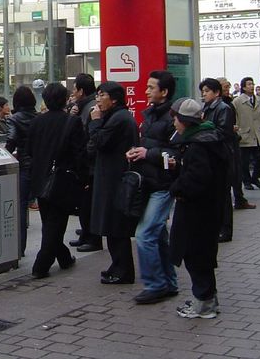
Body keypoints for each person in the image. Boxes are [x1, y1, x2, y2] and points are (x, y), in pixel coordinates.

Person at [168, 98, 229, 319]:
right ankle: (207, 298)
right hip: (210, 209)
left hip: (196, 211)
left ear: (184, 121)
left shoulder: (197, 146)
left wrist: (176, 186)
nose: (173, 122)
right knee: (203, 255)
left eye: (175, 118)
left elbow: (197, 179)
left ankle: (203, 303)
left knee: (195, 256)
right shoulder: (211, 138)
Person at [126, 71, 179, 304]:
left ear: (164, 92)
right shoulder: (150, 116)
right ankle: (168, 282)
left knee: (145, 234)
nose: (146, 91)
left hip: (163, 186)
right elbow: (148, 147)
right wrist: (136, 153)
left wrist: (149, 153)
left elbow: (178, 154)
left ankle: (155, 285)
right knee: (157, 235)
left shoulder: (172, 118)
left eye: (150, 87)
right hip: (149, 182)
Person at [28, 83, 86, 278]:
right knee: (56, 225)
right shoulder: (72, 122)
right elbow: (79, 154)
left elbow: (29, 151)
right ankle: (40, 266)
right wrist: (82, 178)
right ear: (64, 99)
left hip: (41, 180)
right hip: (62, 180)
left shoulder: (36, 122)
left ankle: (64, 257)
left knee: (50, 224)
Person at [88, 81, 139, 285]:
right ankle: (117, 266)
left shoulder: (118, 118)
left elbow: (99, 142)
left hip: (114, 179)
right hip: (112, 177)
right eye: (97, 95)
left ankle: (123, 270)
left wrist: (94, 122)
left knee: (116, 228)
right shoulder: (118, 116)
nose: (98, 99)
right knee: (112, 227)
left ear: (114, 99)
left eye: (102, 95)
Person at [200, 78, 255, 246]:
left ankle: (225, 230)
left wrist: (201, 129)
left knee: (223, 196)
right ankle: (216, 227)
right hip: (212, 157)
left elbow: (221, 133)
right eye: (202, 91)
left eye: (207, 91)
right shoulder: (207, 108)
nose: (204, 94)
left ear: (216, 92)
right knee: (215, 195)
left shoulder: (222, 108)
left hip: (222, 157)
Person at [68, 73, 103, 252]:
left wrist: (85, 157)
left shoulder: (90, 108)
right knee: (84, 203)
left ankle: (93, 238)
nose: (72, 92)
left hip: (88, 163)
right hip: (85, 162)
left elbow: (89, 137)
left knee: (87, 202)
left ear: (81, 91)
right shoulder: (82, 106)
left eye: (74, 88)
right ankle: (86, 234)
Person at [6, 86, 40, 256]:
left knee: (21, 207)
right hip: (41, 168)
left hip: (24, 168)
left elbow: (11, 139)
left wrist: (4, 154)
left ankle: (20, 248)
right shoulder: (40, 117)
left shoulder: (14, 119)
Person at [233, 77, 260, 190]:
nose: (251, 86)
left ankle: (255, 178)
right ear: (243, 87)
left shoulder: (258, 100)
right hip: (244, 135)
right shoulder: (237, 101)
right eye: (248, 84)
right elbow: (235, 118)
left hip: (257, 134)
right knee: (244, 162)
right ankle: (247, 181)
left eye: (252, 84)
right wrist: (237, 131)